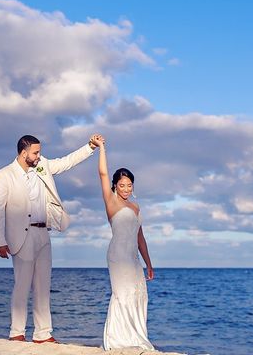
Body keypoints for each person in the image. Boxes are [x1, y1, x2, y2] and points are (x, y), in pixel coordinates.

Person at [0, 134, 101, 343]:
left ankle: (43, 334)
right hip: (20, 236)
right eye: (35, 152)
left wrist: (90, 147)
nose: (39, 155)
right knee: (22, 285)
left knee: (43, 285)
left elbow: (66, 162)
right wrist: (0, 241)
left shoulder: (43, 165)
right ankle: (17, 333)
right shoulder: (4, 175)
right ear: (24, 153)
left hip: (43, 233)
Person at [96, 136, 155, 351]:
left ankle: (135, 337)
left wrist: (148, 263)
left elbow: (140, 237)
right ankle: (117, 340)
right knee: (122, 294)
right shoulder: (111, 202)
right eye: (122, 185)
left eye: (129, 185)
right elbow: (102, 173)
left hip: (133, 257)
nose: (126, 189)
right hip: (118, 256)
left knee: (138, 294)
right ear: (115, 185)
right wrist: (102, 147)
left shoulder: (136, 207)